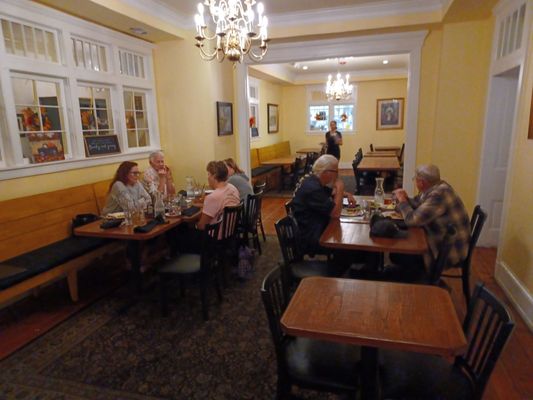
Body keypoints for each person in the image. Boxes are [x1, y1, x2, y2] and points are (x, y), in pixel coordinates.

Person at [393, 164, 471, 269]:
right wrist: (406, 199)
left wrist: (402, 201)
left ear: (421, 182)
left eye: (415, 179)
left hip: (449, 252)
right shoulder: (436, 186)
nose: (415, 182)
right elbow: (419, 204)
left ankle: (418, 280)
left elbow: (412, 220)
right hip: (443, 240)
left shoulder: (439, 194)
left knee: (397, 255)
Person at [291, 154, 355, 256]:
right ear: (326, 172)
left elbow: (330, 192)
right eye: (336, 172)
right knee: (347, 244)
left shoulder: (311, 179)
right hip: (313, 236)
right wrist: (340, 188)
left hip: (312, 226)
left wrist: (346, 194)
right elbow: (335, 214)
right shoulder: (313, 188)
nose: (338, 175)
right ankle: (336, 270)